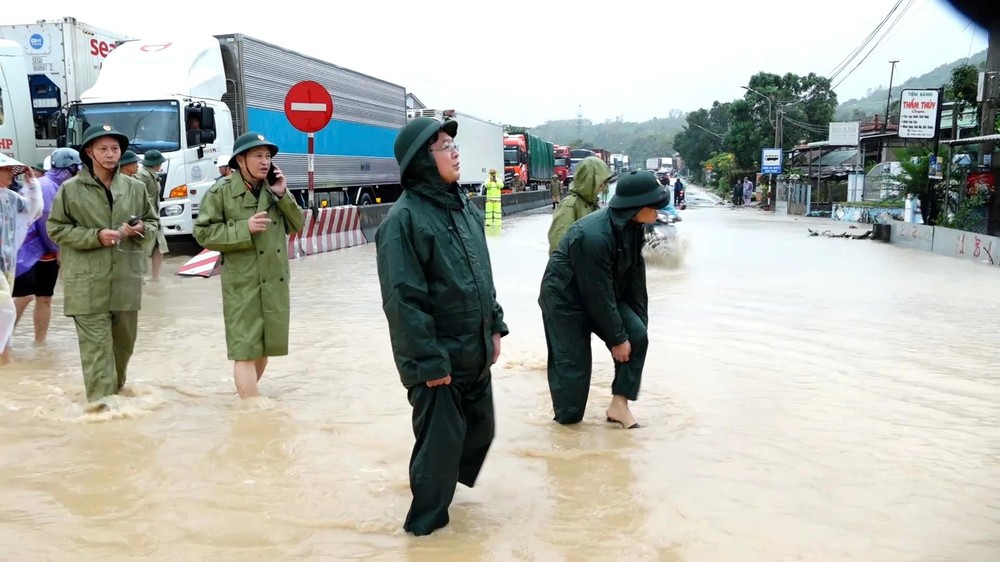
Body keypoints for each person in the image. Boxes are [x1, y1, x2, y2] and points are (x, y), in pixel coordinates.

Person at [375, 116, 508, 537]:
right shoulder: (403, 221)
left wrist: (495, 325)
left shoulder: (463, 208)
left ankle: (444, 491)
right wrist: (429, 363)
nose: (455, 151)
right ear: (421, 161)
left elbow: (480, 274)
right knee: (439, 450)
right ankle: (423, 533)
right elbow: (403, 301)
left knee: (480, 430)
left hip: (473, 350)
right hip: (438, 362)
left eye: (453, 144)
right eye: (444, 146)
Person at [538, 170, 667, 430]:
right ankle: (567, 431)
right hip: (566, 301)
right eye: (654, 206)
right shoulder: (594, 236)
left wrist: (635, 326)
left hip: (603, 292)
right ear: (635, 207)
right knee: (573, 371)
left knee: (637, 335)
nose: (657, 212)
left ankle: (619, 405)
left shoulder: (634, 227)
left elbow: (635, 280)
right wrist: (617, 338)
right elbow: (595, 293)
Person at [47, 124, 158, 405]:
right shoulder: (70, 190)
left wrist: (142, 227)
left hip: (125, 281)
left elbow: (154, 222)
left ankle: (116, 406)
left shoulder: (135, 187)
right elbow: (56, 229)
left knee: (122, 349)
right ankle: (100, 410)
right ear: (89, 152)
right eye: (103, 149)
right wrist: (94, 236)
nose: (110, 155)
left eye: (115, 149)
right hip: (86, 284)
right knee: (97, 352)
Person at [193, 132, 306, 399]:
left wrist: (282, 196)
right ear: (240, 160)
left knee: (266, 346)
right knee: (245, 349)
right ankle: (250, 407)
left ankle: (245, 397)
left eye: (268, 156)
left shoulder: (275, 190)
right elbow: (203, 234)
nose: (264, 162)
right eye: (258, 156)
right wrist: (244, 228)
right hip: (242, 282)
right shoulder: (221, 192)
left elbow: (298, 225)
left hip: (275, 278)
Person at [12, 147, 81, 345]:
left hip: (47, 254)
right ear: (71, 168)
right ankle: (4, 340)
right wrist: (57, 250)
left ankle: (39, 343)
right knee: (24, 297)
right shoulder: (47, 186)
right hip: (30, 253)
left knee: (45, 298)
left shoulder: (61, 186)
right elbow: (46, 223)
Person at [0, 154, 43, 363]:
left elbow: (33, 209)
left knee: (4, 309)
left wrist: (32, 184)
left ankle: (5, 356)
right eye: (6, 170)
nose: (10, 175)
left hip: (7, 262)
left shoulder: (10, 197)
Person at [547, 156, 611, 254]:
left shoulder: (595, 204)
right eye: (601, 182)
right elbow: (559, 244)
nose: (603, 186)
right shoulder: (569, 206)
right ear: (590, 181)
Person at [136, 150, 169, 281]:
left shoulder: (152, 174)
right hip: (146, 217)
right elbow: (139, 196)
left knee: (159, 246)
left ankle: (155, 277)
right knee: (143, 248)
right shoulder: (142, 175)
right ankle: (140, 278)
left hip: (154, 216)